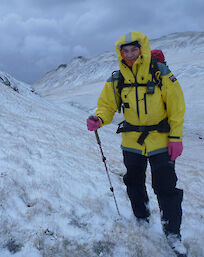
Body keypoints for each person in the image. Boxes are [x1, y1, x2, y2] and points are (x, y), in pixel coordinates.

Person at [87, 32, 186, 256]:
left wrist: (176, 137)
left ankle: (173, 233)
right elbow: (107, 105)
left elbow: (176, 106)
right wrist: (99, 118)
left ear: (142, 49)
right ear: (120, 53)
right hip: (132, 141)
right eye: (125, 50)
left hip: (161, 140)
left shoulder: (160, 72)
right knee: (133, 181)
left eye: (133, 49)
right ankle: (142, 218)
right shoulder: (117, 78)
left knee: (166, 186)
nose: (130, 54)